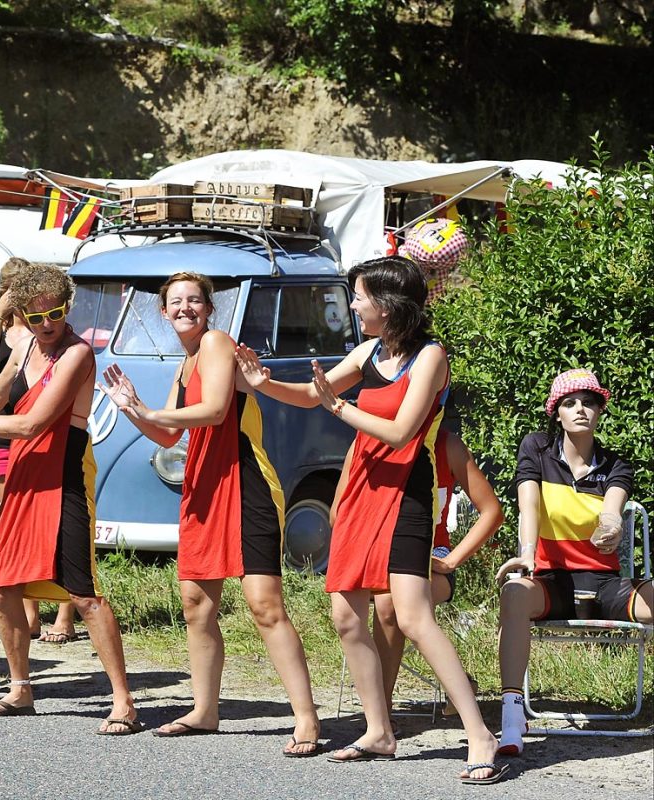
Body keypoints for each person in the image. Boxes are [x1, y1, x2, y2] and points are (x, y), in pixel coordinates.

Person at [236, 256, 503, 783]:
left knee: (411, 615)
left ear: (388, 304)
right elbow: (314, 395)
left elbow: (403, 432)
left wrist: (340, 409)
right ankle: (379, 731)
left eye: (358, 296)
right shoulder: (368, 351)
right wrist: (261, 382)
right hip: (360, 484)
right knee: (344, 613)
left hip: (406, 490)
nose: (353, 304)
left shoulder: (430, 356)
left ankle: (479, 733)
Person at [0, 261, 140, 733]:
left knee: (84, 593)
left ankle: (124, 701)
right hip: (22, 479)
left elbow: (31, 424)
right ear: (25, 317)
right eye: (36, 317)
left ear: (66, 306)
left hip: (63, 480)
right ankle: (20, 688)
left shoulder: (76, 354)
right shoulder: (27, 345)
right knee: (4, 588)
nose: (47, 324)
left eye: (54, 313)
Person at [99, 271, 320, 752]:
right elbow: (169, 436)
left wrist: (152, 412)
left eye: (194, 301)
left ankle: (305, 717)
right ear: (163, 312)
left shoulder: (218, 342)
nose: (184, 308)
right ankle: (204, 710)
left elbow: (217, 411)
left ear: (209, 308)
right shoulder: (184, 364)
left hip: (243, 481)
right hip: (202, 483)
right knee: (196, 604)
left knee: (264, 604)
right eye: (175, 302)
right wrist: (133, 409)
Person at [495, 369, 650, 757]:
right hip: (551, 581)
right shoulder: (536, 448)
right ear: (557, 413)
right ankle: (512, 720)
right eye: (570, 402)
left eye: (588, 401)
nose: (580, 408)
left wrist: (611, 528)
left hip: (604, 584)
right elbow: (527, 503)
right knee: (514, 593)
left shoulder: (616, 464)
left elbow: (613, 510)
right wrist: (527, 552)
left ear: (600, 410)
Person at [332, 427, 503, 720]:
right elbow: (337, 513)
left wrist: (452, 561)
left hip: (430, 555)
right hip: (372, 554)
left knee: (390, 603)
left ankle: (380, 713)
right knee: (372, 603)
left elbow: (492, 512)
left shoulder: (446, 445)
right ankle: (453, 684)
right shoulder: (365, 441)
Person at [0, 257, 77, 645]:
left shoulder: (57, 341)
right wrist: (2, 309)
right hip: (3, 432)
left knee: (57, 524)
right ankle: (31, 612)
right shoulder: (9, 333)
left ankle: (64, 614)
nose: (42, 317)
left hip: (34, 433)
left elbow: (33, 421)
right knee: (11, 515)